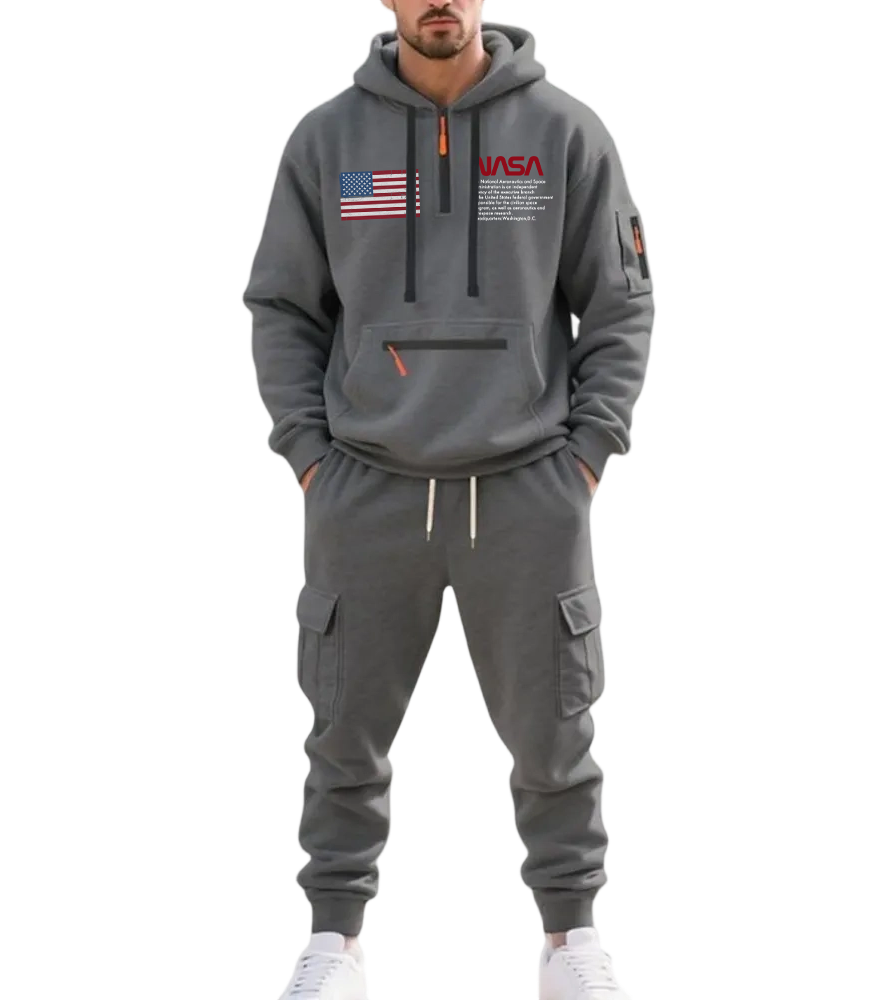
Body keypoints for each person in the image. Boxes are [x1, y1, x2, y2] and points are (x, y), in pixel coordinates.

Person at [244, 3, 655, 997]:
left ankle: (571, 943)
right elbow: (282, 306)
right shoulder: (326, 137)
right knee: (341, 725)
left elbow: (620, 301)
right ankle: (334, 943)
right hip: (365, 484)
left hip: (528, 486)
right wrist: (307, 454)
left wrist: (588, 453)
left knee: (557, 728)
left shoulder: (565, 130)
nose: (440, 1)